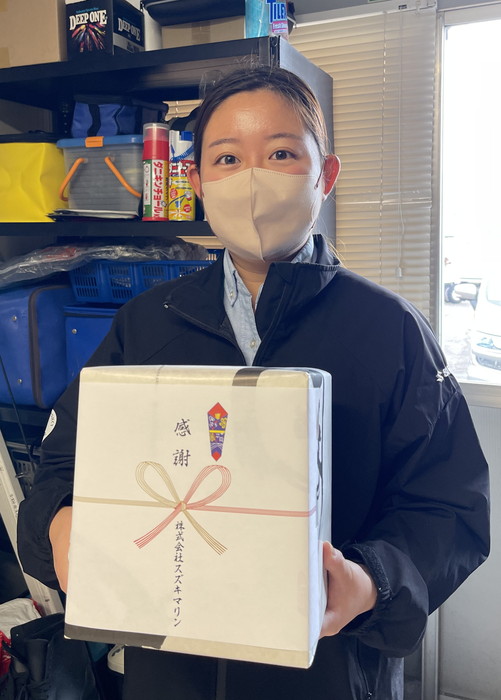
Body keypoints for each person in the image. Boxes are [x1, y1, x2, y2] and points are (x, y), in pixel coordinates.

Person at [17, 65, 489, 700]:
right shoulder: (145, 324)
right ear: (196, 183)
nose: (253, 178)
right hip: (171, 671)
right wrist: (59, 523)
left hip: (327, 671)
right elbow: (62, 462)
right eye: (227, 158)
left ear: (326, 175)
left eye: (282, 153)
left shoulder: (390, 331)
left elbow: (450, 507)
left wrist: (371, 581)